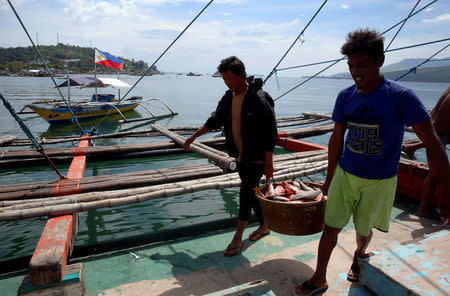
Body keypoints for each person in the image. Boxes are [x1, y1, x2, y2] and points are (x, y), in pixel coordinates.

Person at [293, 29, 450, 296]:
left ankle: (359, 254)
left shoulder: (401, 97)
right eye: (351, 66)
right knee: (330, 227)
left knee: (363, 230)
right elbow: (336, 140)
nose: (356, 72)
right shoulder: (345, 96)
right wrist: (329, 180)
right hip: (346, 173)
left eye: (362, 65)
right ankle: (319, 277)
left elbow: (432, 142)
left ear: (380, 61)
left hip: (380, 180)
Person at [183, 56, 277, 256]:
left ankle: (237, 238)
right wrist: (192, 137)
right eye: (224, 79)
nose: (228, 83)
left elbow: (270, 133)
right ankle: (265, 226)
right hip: (240, 156)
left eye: (230, 79)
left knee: (245, 192)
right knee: (252, 192)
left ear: (242, 76)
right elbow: (214, 121)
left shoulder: (259, 98)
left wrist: (269, 164)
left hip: (258, 157)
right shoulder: (228, 98)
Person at [402, 86, 450, 219]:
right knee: (437, 175)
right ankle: (426, 209)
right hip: (437, 133)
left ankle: (413, 146)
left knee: (435, 173)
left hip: (434, 127)